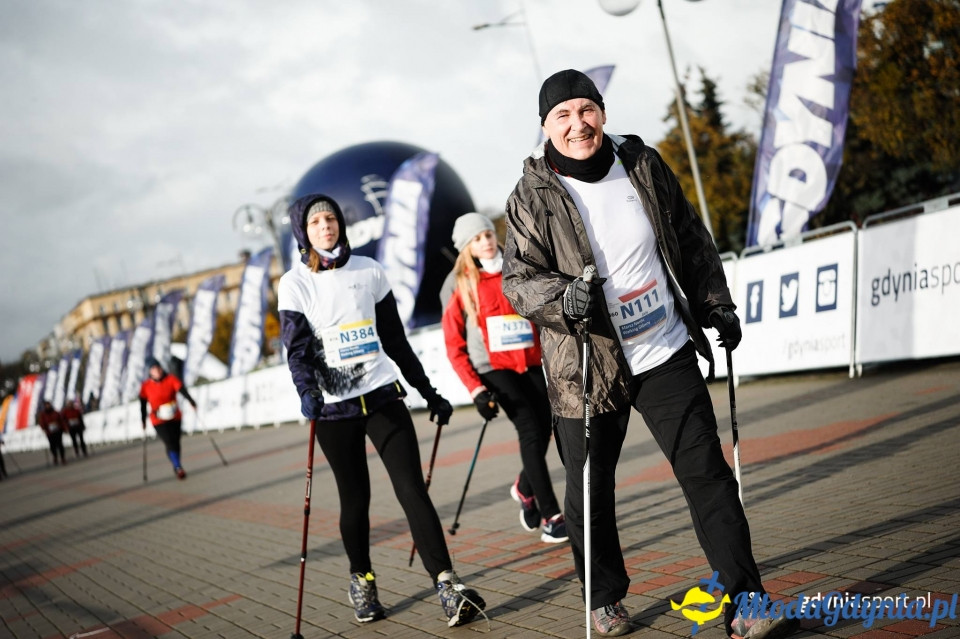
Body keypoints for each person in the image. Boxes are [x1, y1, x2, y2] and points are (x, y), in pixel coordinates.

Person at [501, 69, 798, 639]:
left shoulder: (642, 165)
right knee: (591, 490)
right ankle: (605, 596)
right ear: (545, 127)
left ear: (603, 113)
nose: (576, 124)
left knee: (707, 473)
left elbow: (689, 236)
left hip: (663, 349)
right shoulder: (529, 197)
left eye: (585, 110)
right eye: (562, 116)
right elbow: (518, 281)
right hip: (586, 365)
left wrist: (716, 304)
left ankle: (747, 599)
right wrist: (567, 298)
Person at [278, 194, 486, 628]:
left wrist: (428, 392)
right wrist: (306, 392)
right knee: (356, 500)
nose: (325, 226)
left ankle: (448, 586)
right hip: (335, 410)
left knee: (412, 489)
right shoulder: (295, 282)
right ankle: (362, 580)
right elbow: (296, 352)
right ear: (304, 232)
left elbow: (395, 339)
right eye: (315, 222)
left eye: (331, 218)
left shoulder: (369, 270)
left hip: (382, 397)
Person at [441, 212, 567, 544]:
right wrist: (476, 389)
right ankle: (552, 516)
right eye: (477, 238)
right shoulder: (460, 284)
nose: (486, 241)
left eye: (487, 234)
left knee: (546, 427)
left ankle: (525, 487)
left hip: (530, 361)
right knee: (529, 429)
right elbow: (454, 344)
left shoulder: (516, 268)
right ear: (466, 247)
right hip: (493, 368)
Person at [139, 357, 196, 479]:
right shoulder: (146, 386)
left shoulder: (170, 379)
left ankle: (176, 464)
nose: (157, 371)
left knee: (176, 442)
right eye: (154, 369)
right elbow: (143, 405)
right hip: (158, 419)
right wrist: (143, 420)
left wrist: (191, 401)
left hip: (175, 416)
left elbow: (182, 390)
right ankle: (178, 466)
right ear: (150, 372)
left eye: (158, 367)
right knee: (169, 441)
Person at [38, 401, 67, 466]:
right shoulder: (43, 414)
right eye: (46, 405)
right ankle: (55, 456)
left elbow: (61, 421)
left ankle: (62, 458)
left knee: (60, 445)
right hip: (50, 433)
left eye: (48, 405)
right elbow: (42, 423)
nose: (48, 406)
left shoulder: (55, 413)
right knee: (52, 446)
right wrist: (44, 428)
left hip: (58, 431)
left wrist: (64, 428)